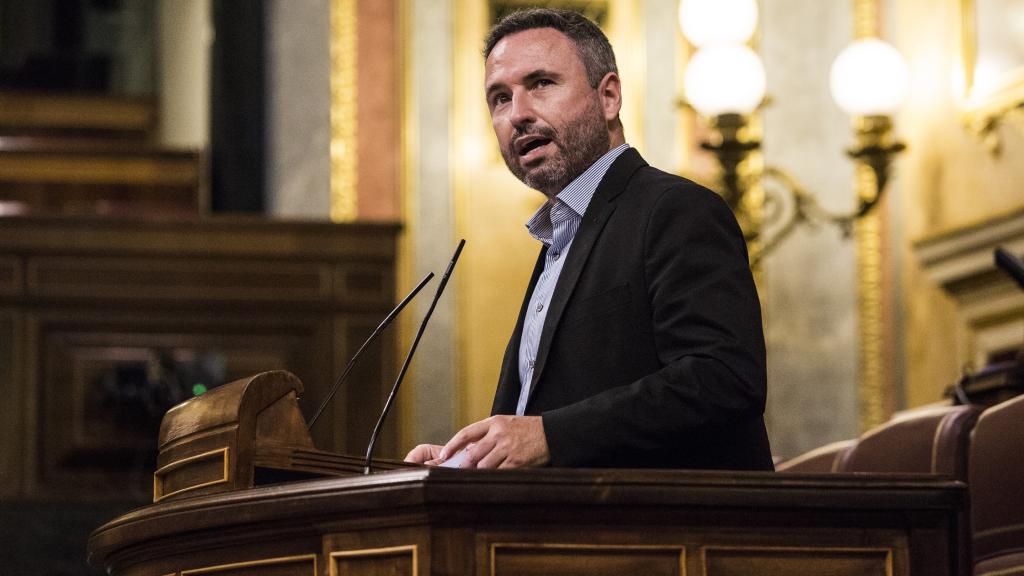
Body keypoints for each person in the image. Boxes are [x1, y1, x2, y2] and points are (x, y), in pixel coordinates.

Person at [405, 8, 772, 470]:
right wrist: (469, 461)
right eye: (499, 98)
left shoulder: (676, 211)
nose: (517, 114)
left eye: (541, 83)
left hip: (663, 533)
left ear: (610, 97)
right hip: (563, 531)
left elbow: (724, 379)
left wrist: (548, 436)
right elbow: (550, 417)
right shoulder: (561, 236)